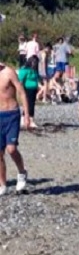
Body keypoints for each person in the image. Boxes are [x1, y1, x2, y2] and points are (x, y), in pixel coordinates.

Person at [0, 60, 31, 194]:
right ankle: (2, 185)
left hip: (12, 114)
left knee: (11, 149)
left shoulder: (9, 72)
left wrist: (27, 115)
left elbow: (22, 93)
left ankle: (22, 172)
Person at [17, 56, 40, 129]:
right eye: (34, 62)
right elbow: (20, 80)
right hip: (27, 89)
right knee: (29, 104)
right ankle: (30, 120)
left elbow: (37, 79)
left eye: (36, 63)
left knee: (31, 104)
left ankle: (26, 119)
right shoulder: (25, 70)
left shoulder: (34, 70)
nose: (35, 64)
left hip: (33, 89)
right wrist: (20, 90)